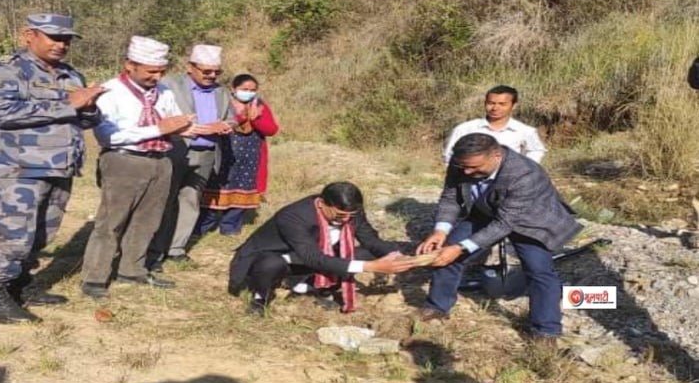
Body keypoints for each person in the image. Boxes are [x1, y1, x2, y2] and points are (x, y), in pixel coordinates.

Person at [0, 13, 106, 324]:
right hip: (19, 167)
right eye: (54, 38)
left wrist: (90, 109)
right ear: (28, 35)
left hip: (60, 166)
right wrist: (70, 104)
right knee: (10, 234)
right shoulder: (5, 71)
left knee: (42, 233)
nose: (62, 45)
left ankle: (19, 285)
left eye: (67, 39)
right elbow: (4, 113)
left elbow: (82, 118)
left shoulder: (70, 75)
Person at [416, 133, 582, 343]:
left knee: (539, 271)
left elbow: (505, 224)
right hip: (487, 211)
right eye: (463, 167)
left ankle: (546, 331)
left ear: (496, 155)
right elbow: (450, 197)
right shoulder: (463, 162)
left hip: (531, 220)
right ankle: (437, 307)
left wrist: (460, 247)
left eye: (474, 168)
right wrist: (440, 231)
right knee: (445, 254)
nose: (467, 172)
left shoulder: (525, 174)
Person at [79, 36, 196, 298]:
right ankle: (94, 278)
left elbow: (172, 122)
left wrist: (189, 128)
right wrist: (158, 128)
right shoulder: (109, 91)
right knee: (112, 221)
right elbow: (108, 135)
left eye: (161, 72)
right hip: (123, 161)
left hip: (161, 160)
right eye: (151, 71)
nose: (157, 77)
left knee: (148, 220)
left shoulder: (163, 91)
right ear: (130, 65)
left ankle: (132, 270)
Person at [228, 181, 416, 316]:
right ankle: (259, 298)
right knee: (270, 263)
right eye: (340, 214)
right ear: (321, 203)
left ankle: (310, 287)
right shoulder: (294, 216)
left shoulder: (351, 213)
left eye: (350, 215)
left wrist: (396, 255)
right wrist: (372, 267)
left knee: (363, 253)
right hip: (271, 257)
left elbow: (371, 240)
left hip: (306, 257)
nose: (346, 220)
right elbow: (313, 258)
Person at [147, 44, 234, 269]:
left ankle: (176, 248)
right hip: (175, 151)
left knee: (190, 200)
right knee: (165, 200)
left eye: (216, 72)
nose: (212, 76)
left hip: (205, 154)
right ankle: (154, 250)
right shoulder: (169, 86)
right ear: (190, 68)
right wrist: (191, 127)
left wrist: (225, 125)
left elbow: (232, 118)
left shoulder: (221, 92)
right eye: (206, 71)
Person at [196, 73, 279, 237]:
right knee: (216, 187)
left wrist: (256, 118)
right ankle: (203, 227)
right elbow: (218, 123)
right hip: (225, 152)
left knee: (244, 187)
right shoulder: (223, 102)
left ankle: (230, 227)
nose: (248, 92)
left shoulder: (259, 106)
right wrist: (241, 116)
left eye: (252, 90)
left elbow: (271, 130)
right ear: (233, 89)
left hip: (251, 157)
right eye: (244, 89)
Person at [443, 85, 546, 165]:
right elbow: (450, 154)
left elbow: (536, 150)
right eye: (491, 103)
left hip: (509, 181)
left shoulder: (524, 131)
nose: (495, 108)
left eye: (502, 104)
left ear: (514, 106)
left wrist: (524, 168)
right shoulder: (465, 129)